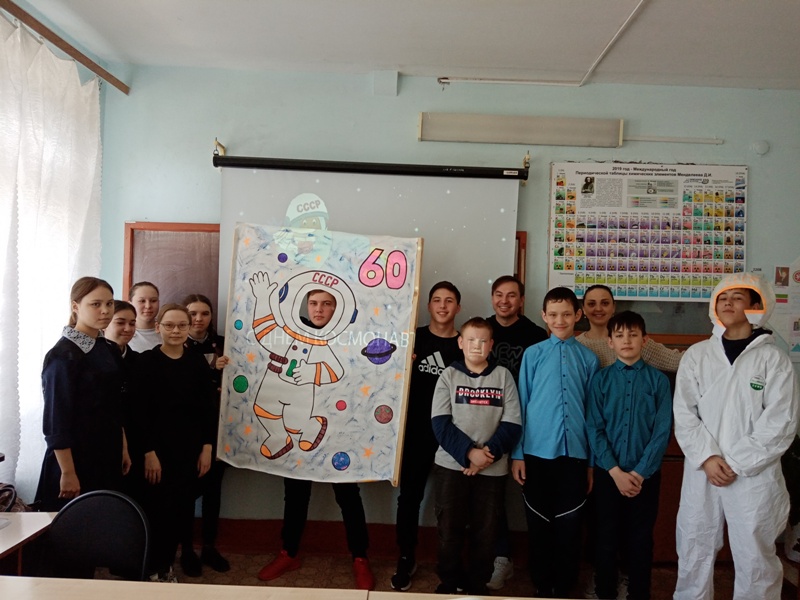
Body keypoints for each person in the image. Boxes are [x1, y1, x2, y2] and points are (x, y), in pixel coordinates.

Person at [673, 272, 799, 600]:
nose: (728, 303)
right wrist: (707, 457)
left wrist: (737, 462)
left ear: (756, 305)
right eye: (722, 298)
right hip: (704, 471)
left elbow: (781, 421)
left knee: (755, 556)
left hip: (753, 475)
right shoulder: (697, 355)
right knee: (694, 548)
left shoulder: (773, 359)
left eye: (737, 298)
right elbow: (685, 413)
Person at [256, 289, 375, 590]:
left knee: (348, 495)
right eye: (313, 303)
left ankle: (360, 557)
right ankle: (289, 552)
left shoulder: (350, 336)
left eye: (326, 303)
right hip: (294, 423)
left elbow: (361, 366)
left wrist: (396, 361)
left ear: (337, 308)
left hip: (340, 431)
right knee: (295, 492)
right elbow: (262, 334)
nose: (319, 309)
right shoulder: (292, 331)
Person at [511, 286, 599, 598]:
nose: (560, 320)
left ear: (578, 315)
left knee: (570, 525)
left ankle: (565, 586)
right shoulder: (533, 355)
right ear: (544, 317)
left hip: (575, 455)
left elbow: (591, 411)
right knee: (539, 523)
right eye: (553, 314)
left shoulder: (588, 359)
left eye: (566, 314)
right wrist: (518, 453)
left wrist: (590, 463)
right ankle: (541, 584)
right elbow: (521, 404)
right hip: (536, 453)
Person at [430, 317, 522, 595]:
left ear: (491, 345)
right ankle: (449, 582)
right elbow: (440, 423)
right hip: (451, 466)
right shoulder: (449, 375)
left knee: (486, 531)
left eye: (483, 341)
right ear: (461, 342)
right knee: (449, 528)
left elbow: (512, 423)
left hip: (492, 469)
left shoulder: (503, 376)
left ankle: (477, 585)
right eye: (471, 340)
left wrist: (486, 456)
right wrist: (469, 453)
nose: (476, 346)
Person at [586, 311, 672, 600]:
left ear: (644, 340)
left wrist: (638, 473)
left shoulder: (659, 382)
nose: (627, 340)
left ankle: (638, 593)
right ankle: (605, 592)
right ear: (610, 342)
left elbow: (662, 431)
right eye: (620, 335)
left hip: (645, 476)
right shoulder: (600, 380)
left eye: (633, 335)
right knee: (605, 536)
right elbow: (594, 428)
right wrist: (614, 471)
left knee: (640, 539)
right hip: (607, 473)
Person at [138, 303, 218, 583]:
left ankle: (167, 567)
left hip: (190, 451)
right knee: (157, 511)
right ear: (158, 328)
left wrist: (207, 447)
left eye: (182, 325)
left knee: (182, 511)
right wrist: (148, 452)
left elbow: (208, 408)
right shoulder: (146, 362)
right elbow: (139, 412)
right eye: (169, 325)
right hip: (157, 452)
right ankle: (151, 569)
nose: (175, 331)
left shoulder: (196, 362)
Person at [390, 281, 463, 591]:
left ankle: (452, 565)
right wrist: (400, 363)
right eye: (437, 300)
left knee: (454, 503)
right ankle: (406, 557)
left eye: (449, 301)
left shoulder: (465, 343)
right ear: (429, 305)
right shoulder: (413, 338)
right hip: (415, 433)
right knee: (409, 498)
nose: (443, 306)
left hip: (453, 436)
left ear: (458, 307)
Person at [35, 277, 130, 512]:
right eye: (96, 304)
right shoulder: (63, 356)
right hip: (74, 460)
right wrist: (68, 472)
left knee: (104, 522)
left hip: (106, 453)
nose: (105, 311)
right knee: (74, 525)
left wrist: (123, 447)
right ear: (76, 306)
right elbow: (56, 420)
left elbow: (115, 406)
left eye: (109, 304)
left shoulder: (107, 348)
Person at [485, 275, 547, 590]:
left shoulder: (536, 335)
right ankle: (501, 557)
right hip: (486, 424)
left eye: (511, 295)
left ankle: (541, 567)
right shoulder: (481, 329)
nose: (504, 301)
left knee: (533, 496)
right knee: (491, 497)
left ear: (521, 300)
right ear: (492, 298)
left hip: (528, 426)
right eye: (499, 295)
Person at [178, 293, 230, 575]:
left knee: (213, 491)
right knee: (185, 493)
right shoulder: (176, 343)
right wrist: (211, 372)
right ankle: (186, 549)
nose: (199, 319)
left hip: (218, 428)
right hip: (187, 431)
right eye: (193, 313)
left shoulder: (224, 344)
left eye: (205, 313)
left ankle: (209, 547)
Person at [577, 284, 682, 370]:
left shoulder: (633, 340)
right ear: (584, 309)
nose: (598, 309)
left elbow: (675, 361)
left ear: (613, 307)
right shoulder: (576, 346)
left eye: (605, 303)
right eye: (591, 304)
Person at [102, 300, 145, 504]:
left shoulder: (138, 361)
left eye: (132, 323)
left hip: (135, 438)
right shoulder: (93, 360)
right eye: (120, 322)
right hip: (105, 439)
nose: (127, 328)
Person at [128, 281, 161, 352]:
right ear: (130, 304)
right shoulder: (124, 333)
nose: (148, 306)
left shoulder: (168, 331)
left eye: (153, 301)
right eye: (142, 301)